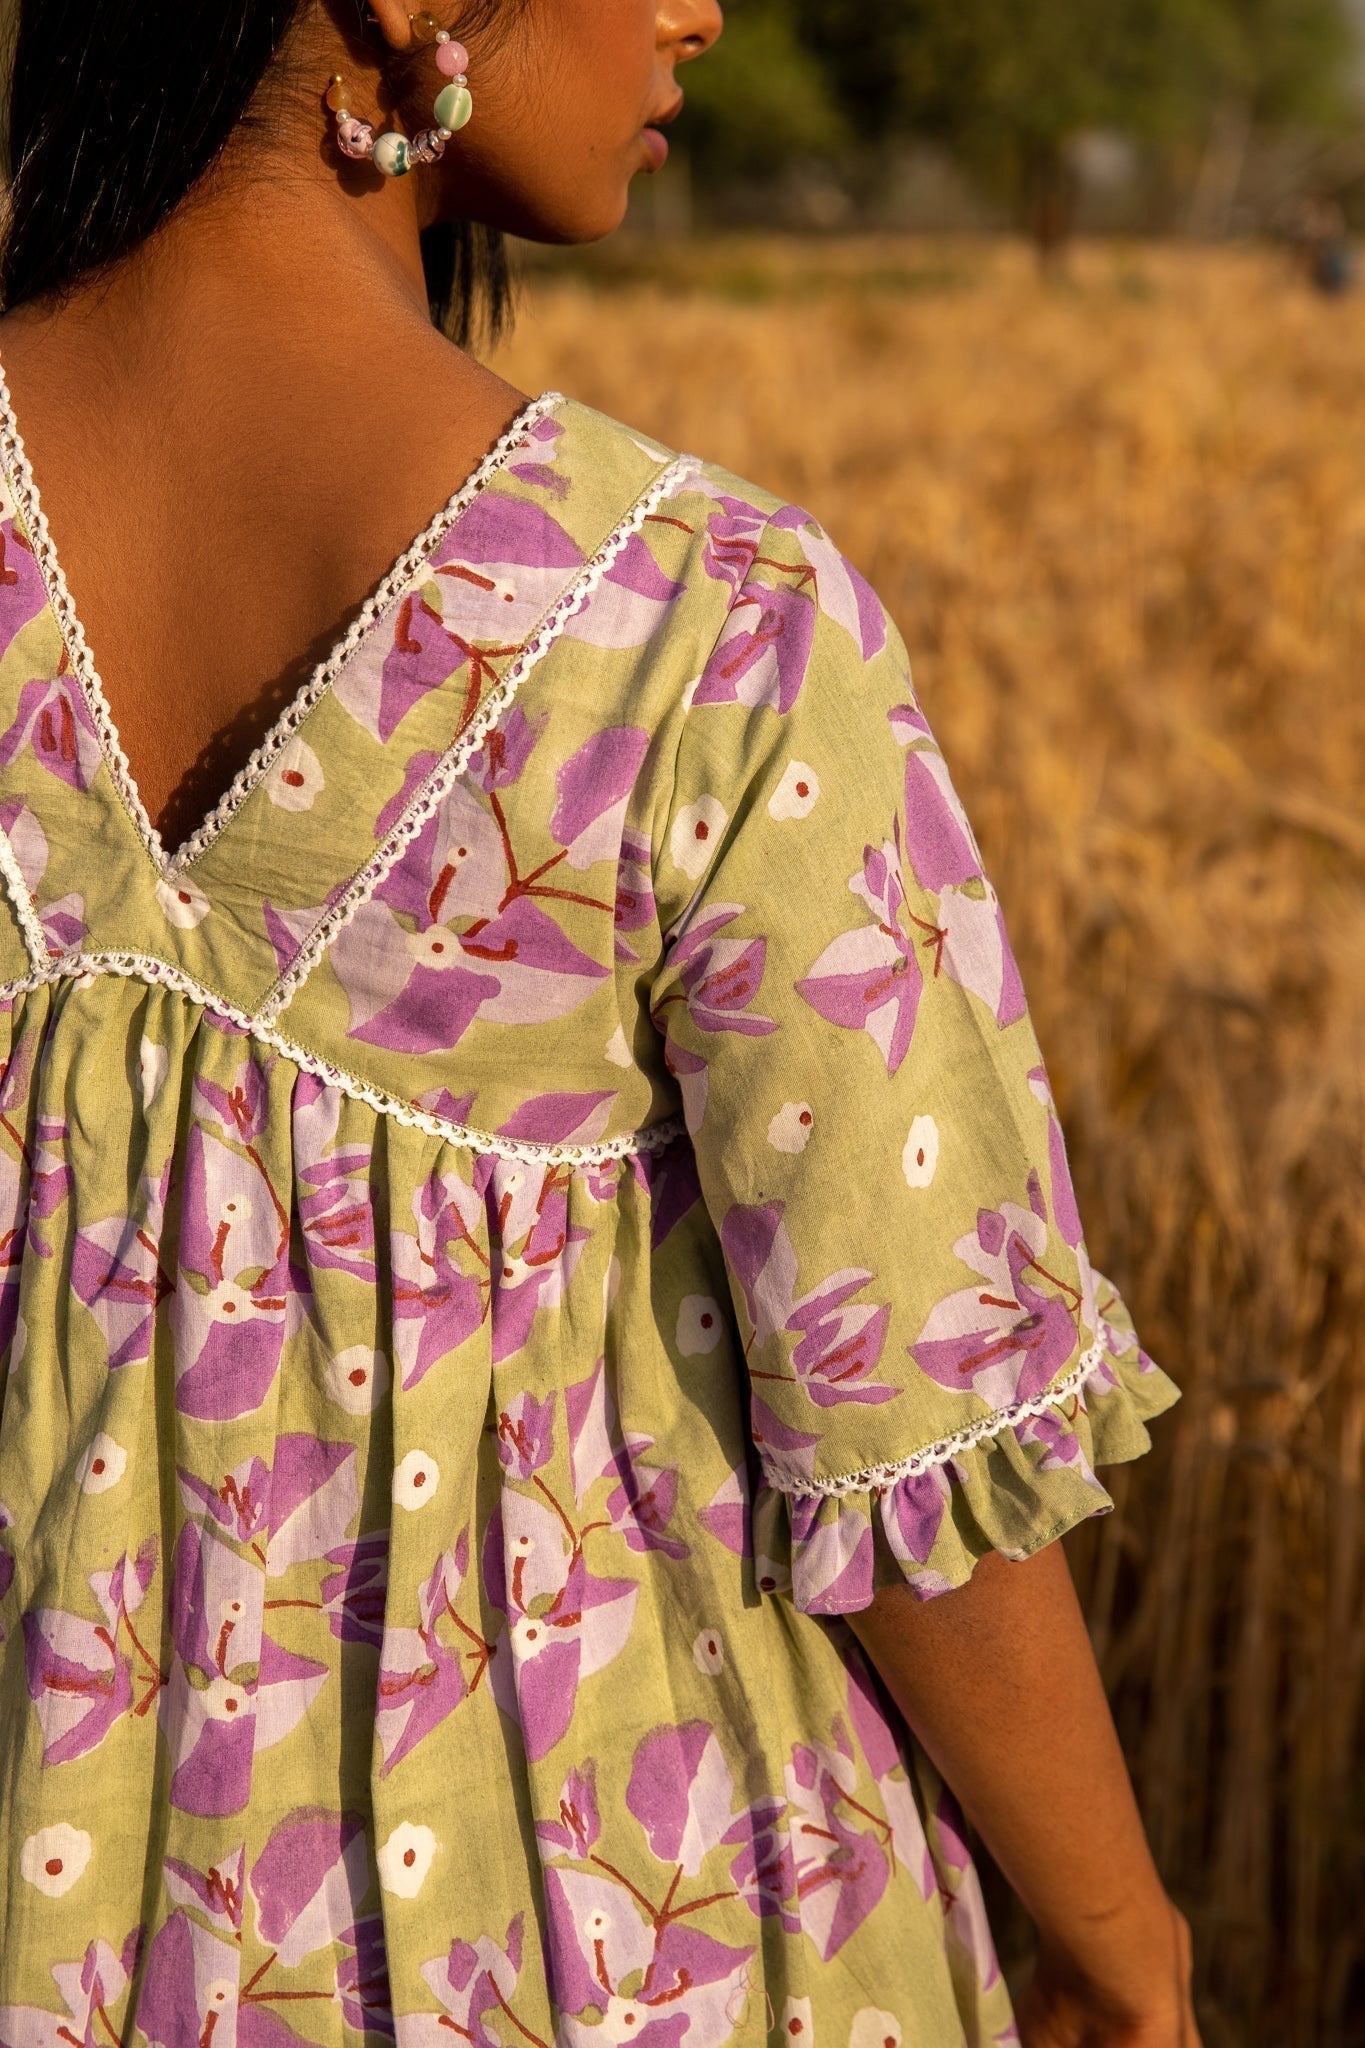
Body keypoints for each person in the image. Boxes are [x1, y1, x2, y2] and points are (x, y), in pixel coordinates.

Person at [0, 4, 1197, 2044]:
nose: (697, 10)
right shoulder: (704, 623)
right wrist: (1121, 1947)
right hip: (628, 1937)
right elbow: (909, 1416)